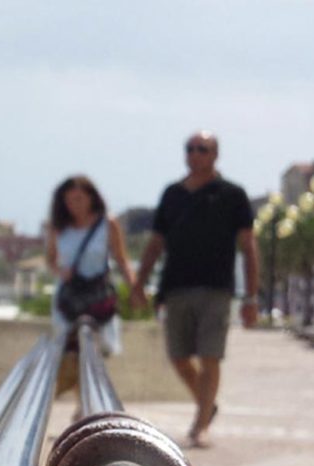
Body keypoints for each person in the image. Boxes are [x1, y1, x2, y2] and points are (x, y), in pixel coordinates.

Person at [130, 131, 259, 448]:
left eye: (202, 149)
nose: (195, 154)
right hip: (176, 287)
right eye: (190, 148)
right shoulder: (173, 194)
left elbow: (248, 245)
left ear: (215, 154)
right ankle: (207, 404)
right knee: (179, 357)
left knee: (210, 355)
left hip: (216, 289)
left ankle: (201, 424)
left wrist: (252, 296)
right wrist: (139, 282)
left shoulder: (232, 194)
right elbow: (156, 242)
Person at [46, 175, 136, 356]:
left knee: (100, 351)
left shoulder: (107, 224)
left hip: (97, 293)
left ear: (91, 198)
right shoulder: (58, 227)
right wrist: (61, 272)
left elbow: (121, 258)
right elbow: (50, 259)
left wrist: (134, 288)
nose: (74, 205)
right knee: (67, 350)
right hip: (70, 295)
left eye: (79, 199)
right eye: (69, 201)